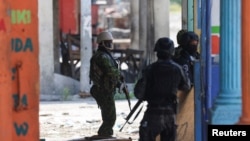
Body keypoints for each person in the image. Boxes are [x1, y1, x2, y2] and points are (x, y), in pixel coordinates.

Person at [137, 37, 191, 141]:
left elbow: (139, 93)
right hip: (169, 114)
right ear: (172, 52)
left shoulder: (149, 69)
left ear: (157, 52)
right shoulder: (177, 69)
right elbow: (186, 86)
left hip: (152, 113)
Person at [89, 31, 121, 138]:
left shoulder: (106, 55)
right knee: (110, 117)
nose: (110, 44)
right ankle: (104, 134)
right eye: (107, 42)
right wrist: (119, 75)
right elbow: (111, 71)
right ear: (102, 43)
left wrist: (119, 81)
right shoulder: (102, 56)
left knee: (108, 115)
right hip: (102, 90)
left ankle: (105, 134)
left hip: (106, 89)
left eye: (110, 42)